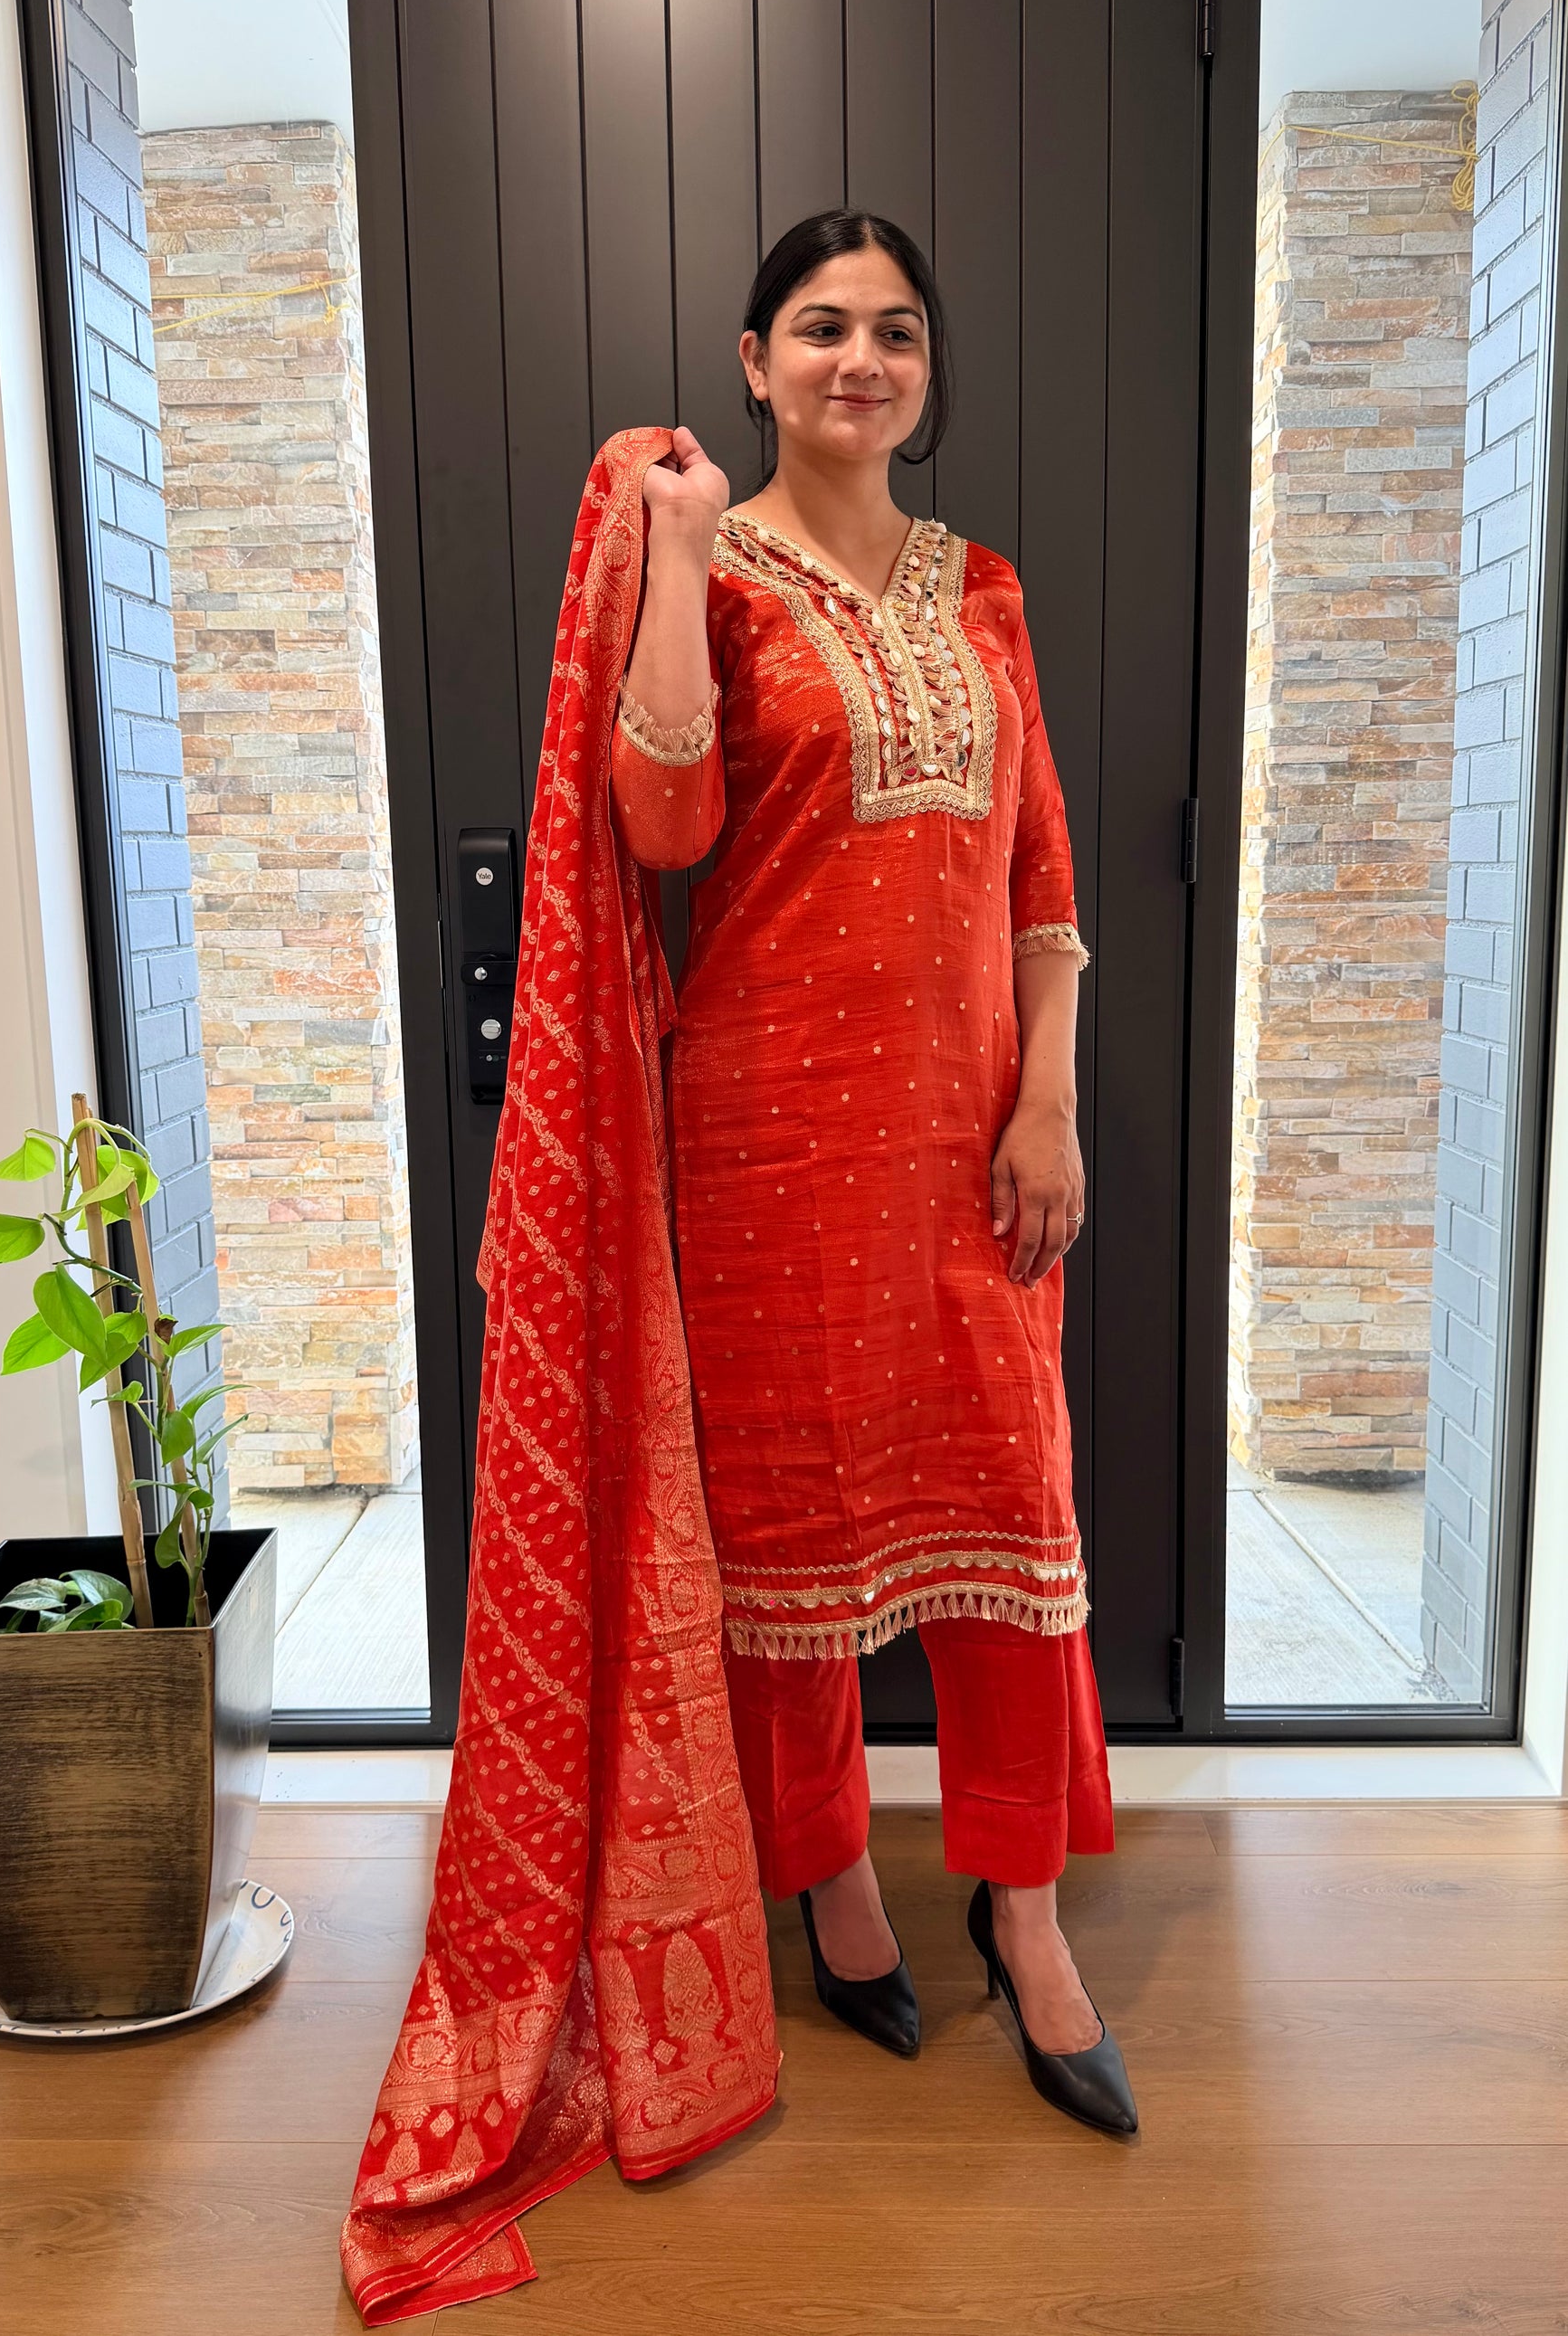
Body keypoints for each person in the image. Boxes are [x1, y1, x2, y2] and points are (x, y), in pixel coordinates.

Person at [607, 207, 1136, 2135]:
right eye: (821, 327)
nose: (861, 359)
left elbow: (1043, 872)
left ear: (925, 368)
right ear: (755, 361)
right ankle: (830, 1879)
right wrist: (678, 556)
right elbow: (663, 819)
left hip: (972, 1142)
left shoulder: (978, 588)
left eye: (895, 330)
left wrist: (1048, 1100)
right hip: (766, 1140)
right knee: (790, 1541)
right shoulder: (710, 569)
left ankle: (1023, 1908)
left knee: (1012, 1520)